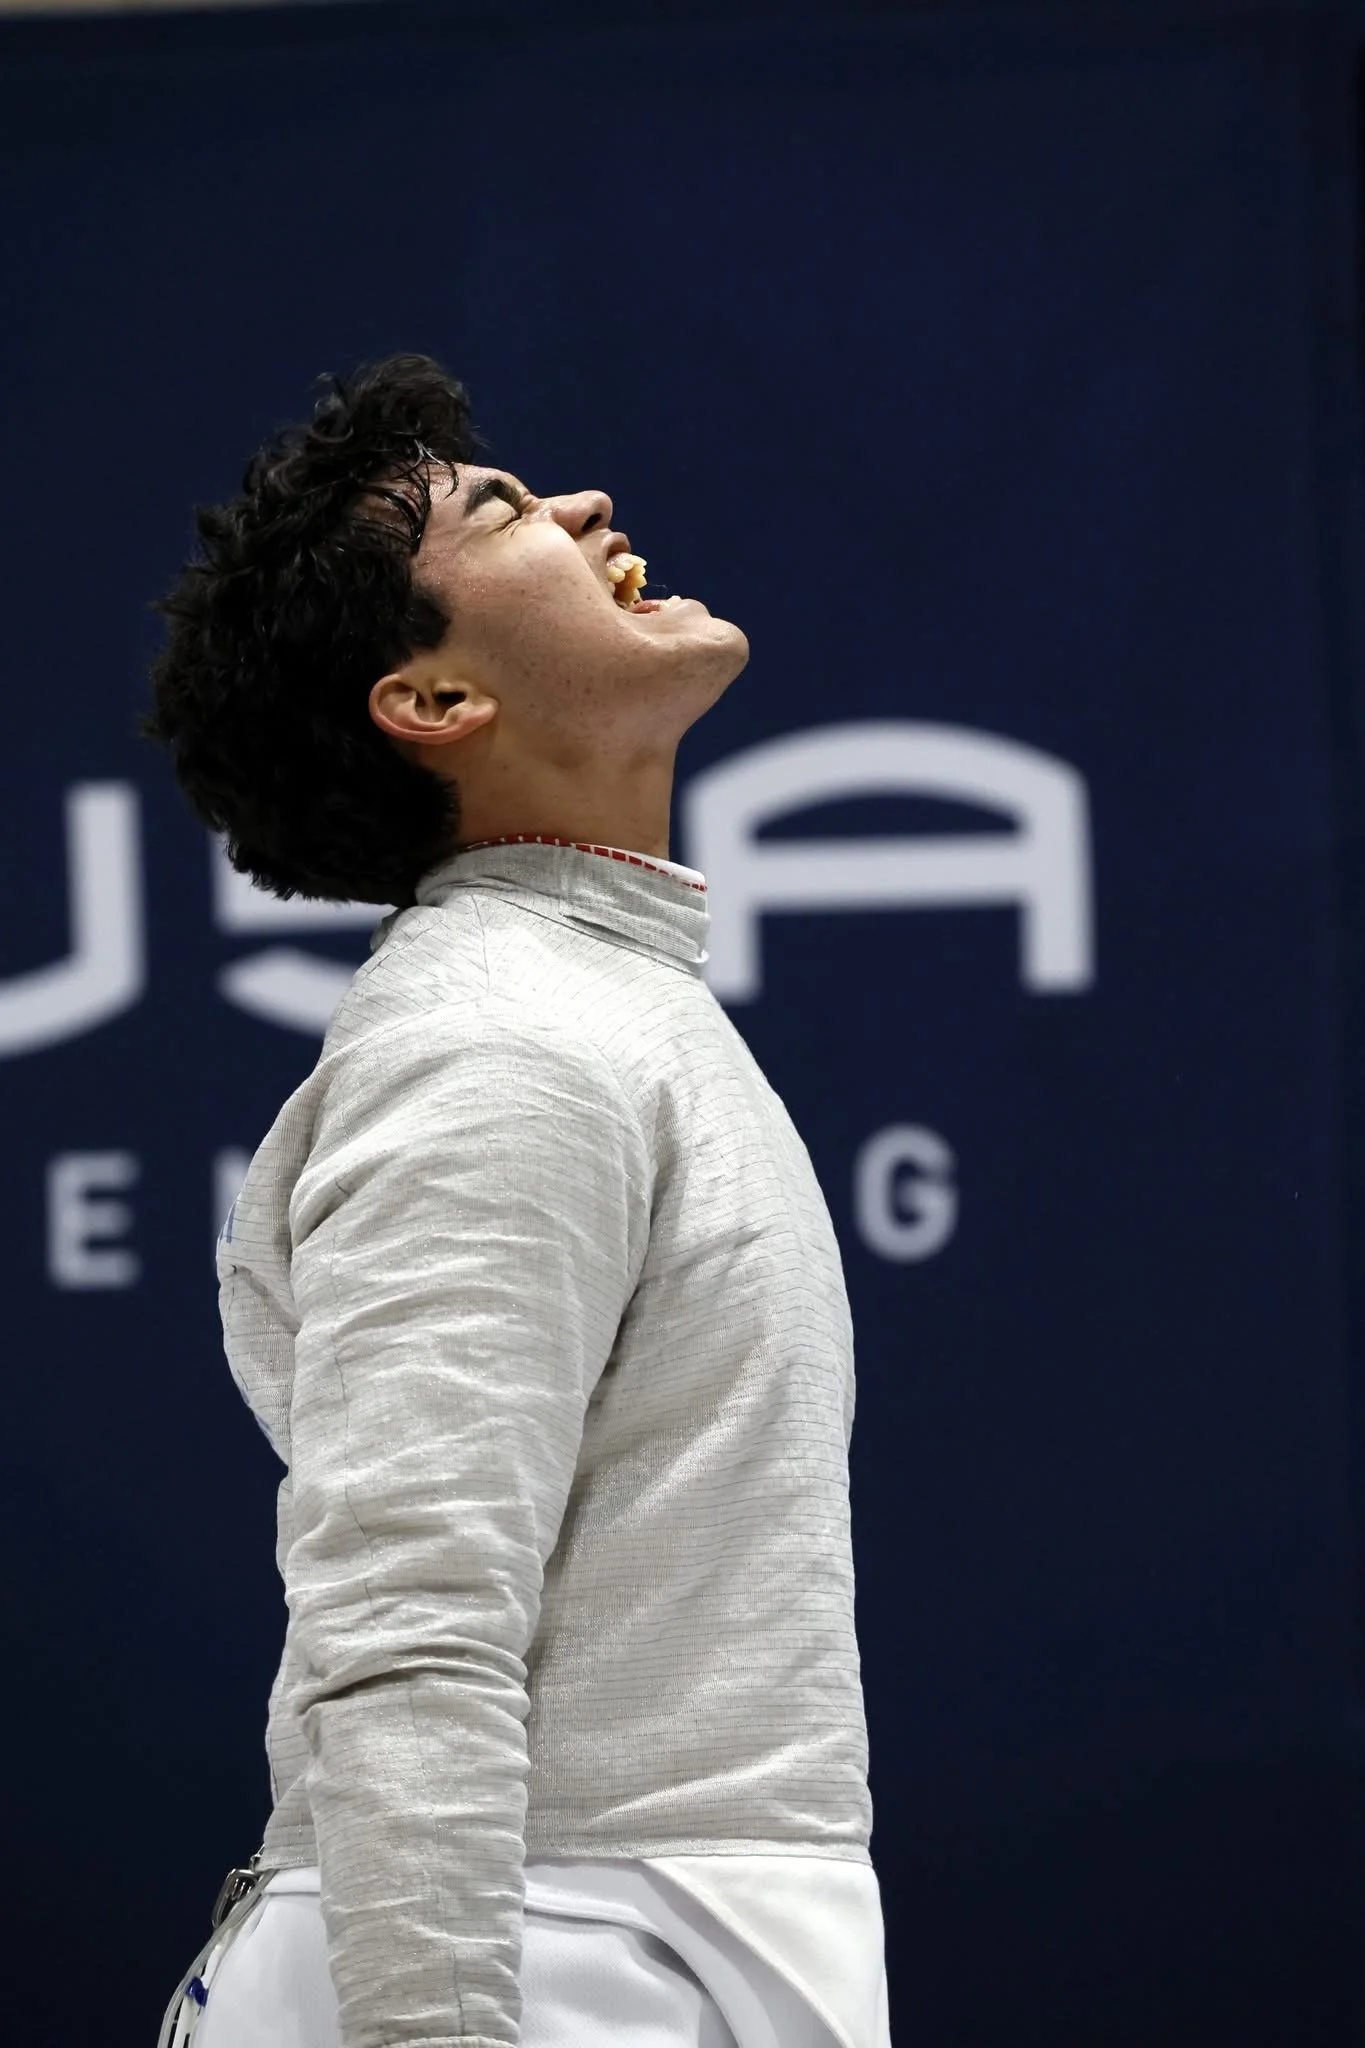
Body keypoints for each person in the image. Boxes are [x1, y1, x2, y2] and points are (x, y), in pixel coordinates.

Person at [142, 353, 890, 2048]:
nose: (586, 510)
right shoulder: (499, 1042)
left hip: (635, 1934)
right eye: (505, 513)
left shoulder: (589, 1005)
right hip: (525, 1964)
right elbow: (404, 1628)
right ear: (433, 701)